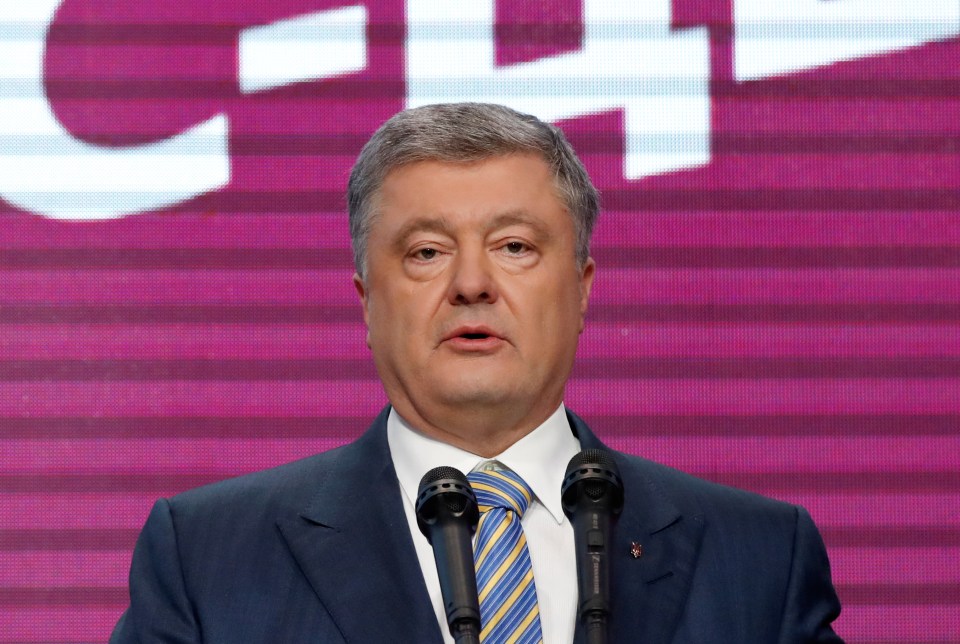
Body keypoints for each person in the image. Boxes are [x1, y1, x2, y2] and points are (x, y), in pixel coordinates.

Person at [111, 103, 842, 643]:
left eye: (515, 247)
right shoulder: (209, 558)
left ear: (583, 287)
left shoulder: (758, 558)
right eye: (426, 252)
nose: (471, 284)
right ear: (367, 301)